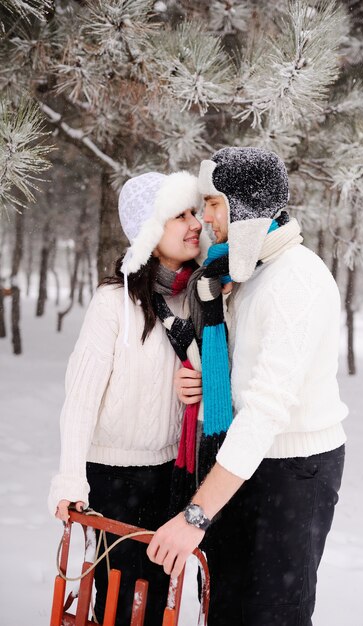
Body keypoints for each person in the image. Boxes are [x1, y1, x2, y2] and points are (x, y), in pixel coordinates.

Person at [147, 148, 349, 626]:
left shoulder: (294, 279)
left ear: (244, 207)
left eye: (214, 204)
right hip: (243, 463)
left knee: (270, 614)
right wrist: (208, 382)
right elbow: (247, 379)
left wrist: (196, 515)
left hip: (294, 471)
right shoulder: (243, 273)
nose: (205, 220)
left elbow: (266, 409)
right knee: (226, 607)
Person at [48, 170, 205, 626]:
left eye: (194, 212)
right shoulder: (112, 302)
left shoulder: (197, 299)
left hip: (172, 475)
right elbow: (80, 398)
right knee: (116, 598)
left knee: (157, 602)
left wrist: (191, 388)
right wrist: (70, 480)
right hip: (113, 477)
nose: (194, 223)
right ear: (152, 232)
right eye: (180, 215)